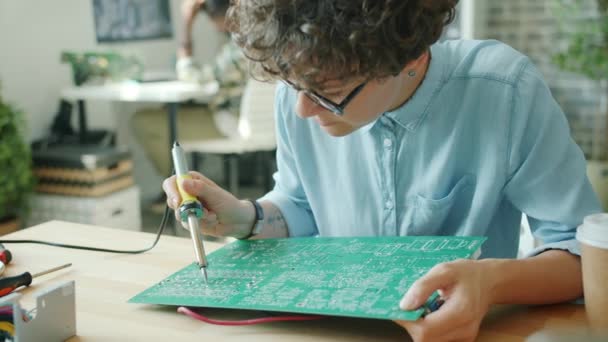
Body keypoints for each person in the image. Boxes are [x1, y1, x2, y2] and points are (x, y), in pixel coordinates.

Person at [162, 0, 602, 340]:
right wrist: (246, 216)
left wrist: (490, 284)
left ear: (410, 59)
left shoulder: (503, 90)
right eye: (293, 85)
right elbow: (300, 204)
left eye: (329, 91)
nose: (302, 107)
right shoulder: (300, 89)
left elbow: (582, 255)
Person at [131, 0, 248, 182]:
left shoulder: (239, 50)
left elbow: (192, 75)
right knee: (165, 112)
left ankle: (174, 189)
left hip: (231, 121)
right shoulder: (257, 42)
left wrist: (186, 24)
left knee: (142, 121)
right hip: (242, 118)